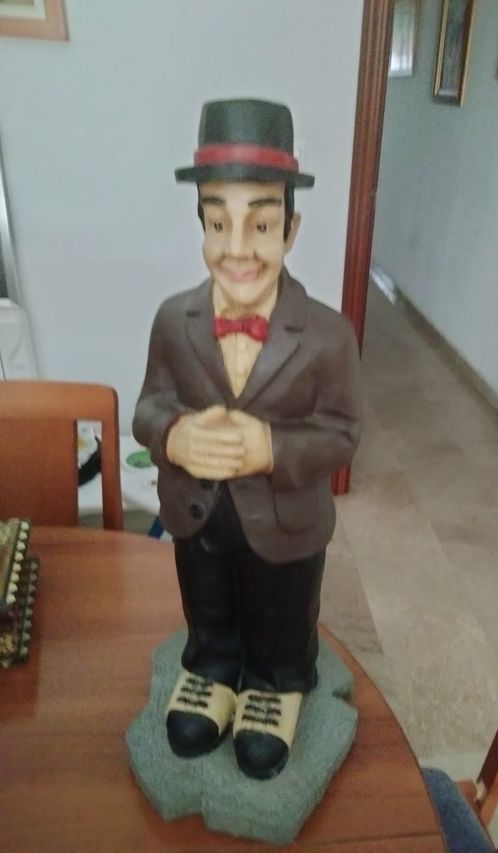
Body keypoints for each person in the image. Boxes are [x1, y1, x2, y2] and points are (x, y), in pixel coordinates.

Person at [133, 98, 361, 780]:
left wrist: (273, 450)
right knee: (207, 601)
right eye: (217, 222)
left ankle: (274, 681)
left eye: (260, 224)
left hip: (287, 526)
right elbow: (148, 408)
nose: (237, 247)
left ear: (290, 229)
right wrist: (173, 436)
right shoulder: (172, 320)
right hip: (196, 514)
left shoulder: (328, 335)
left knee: (281, 611)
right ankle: (213, 667)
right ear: (200, 224)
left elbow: (342, 433)